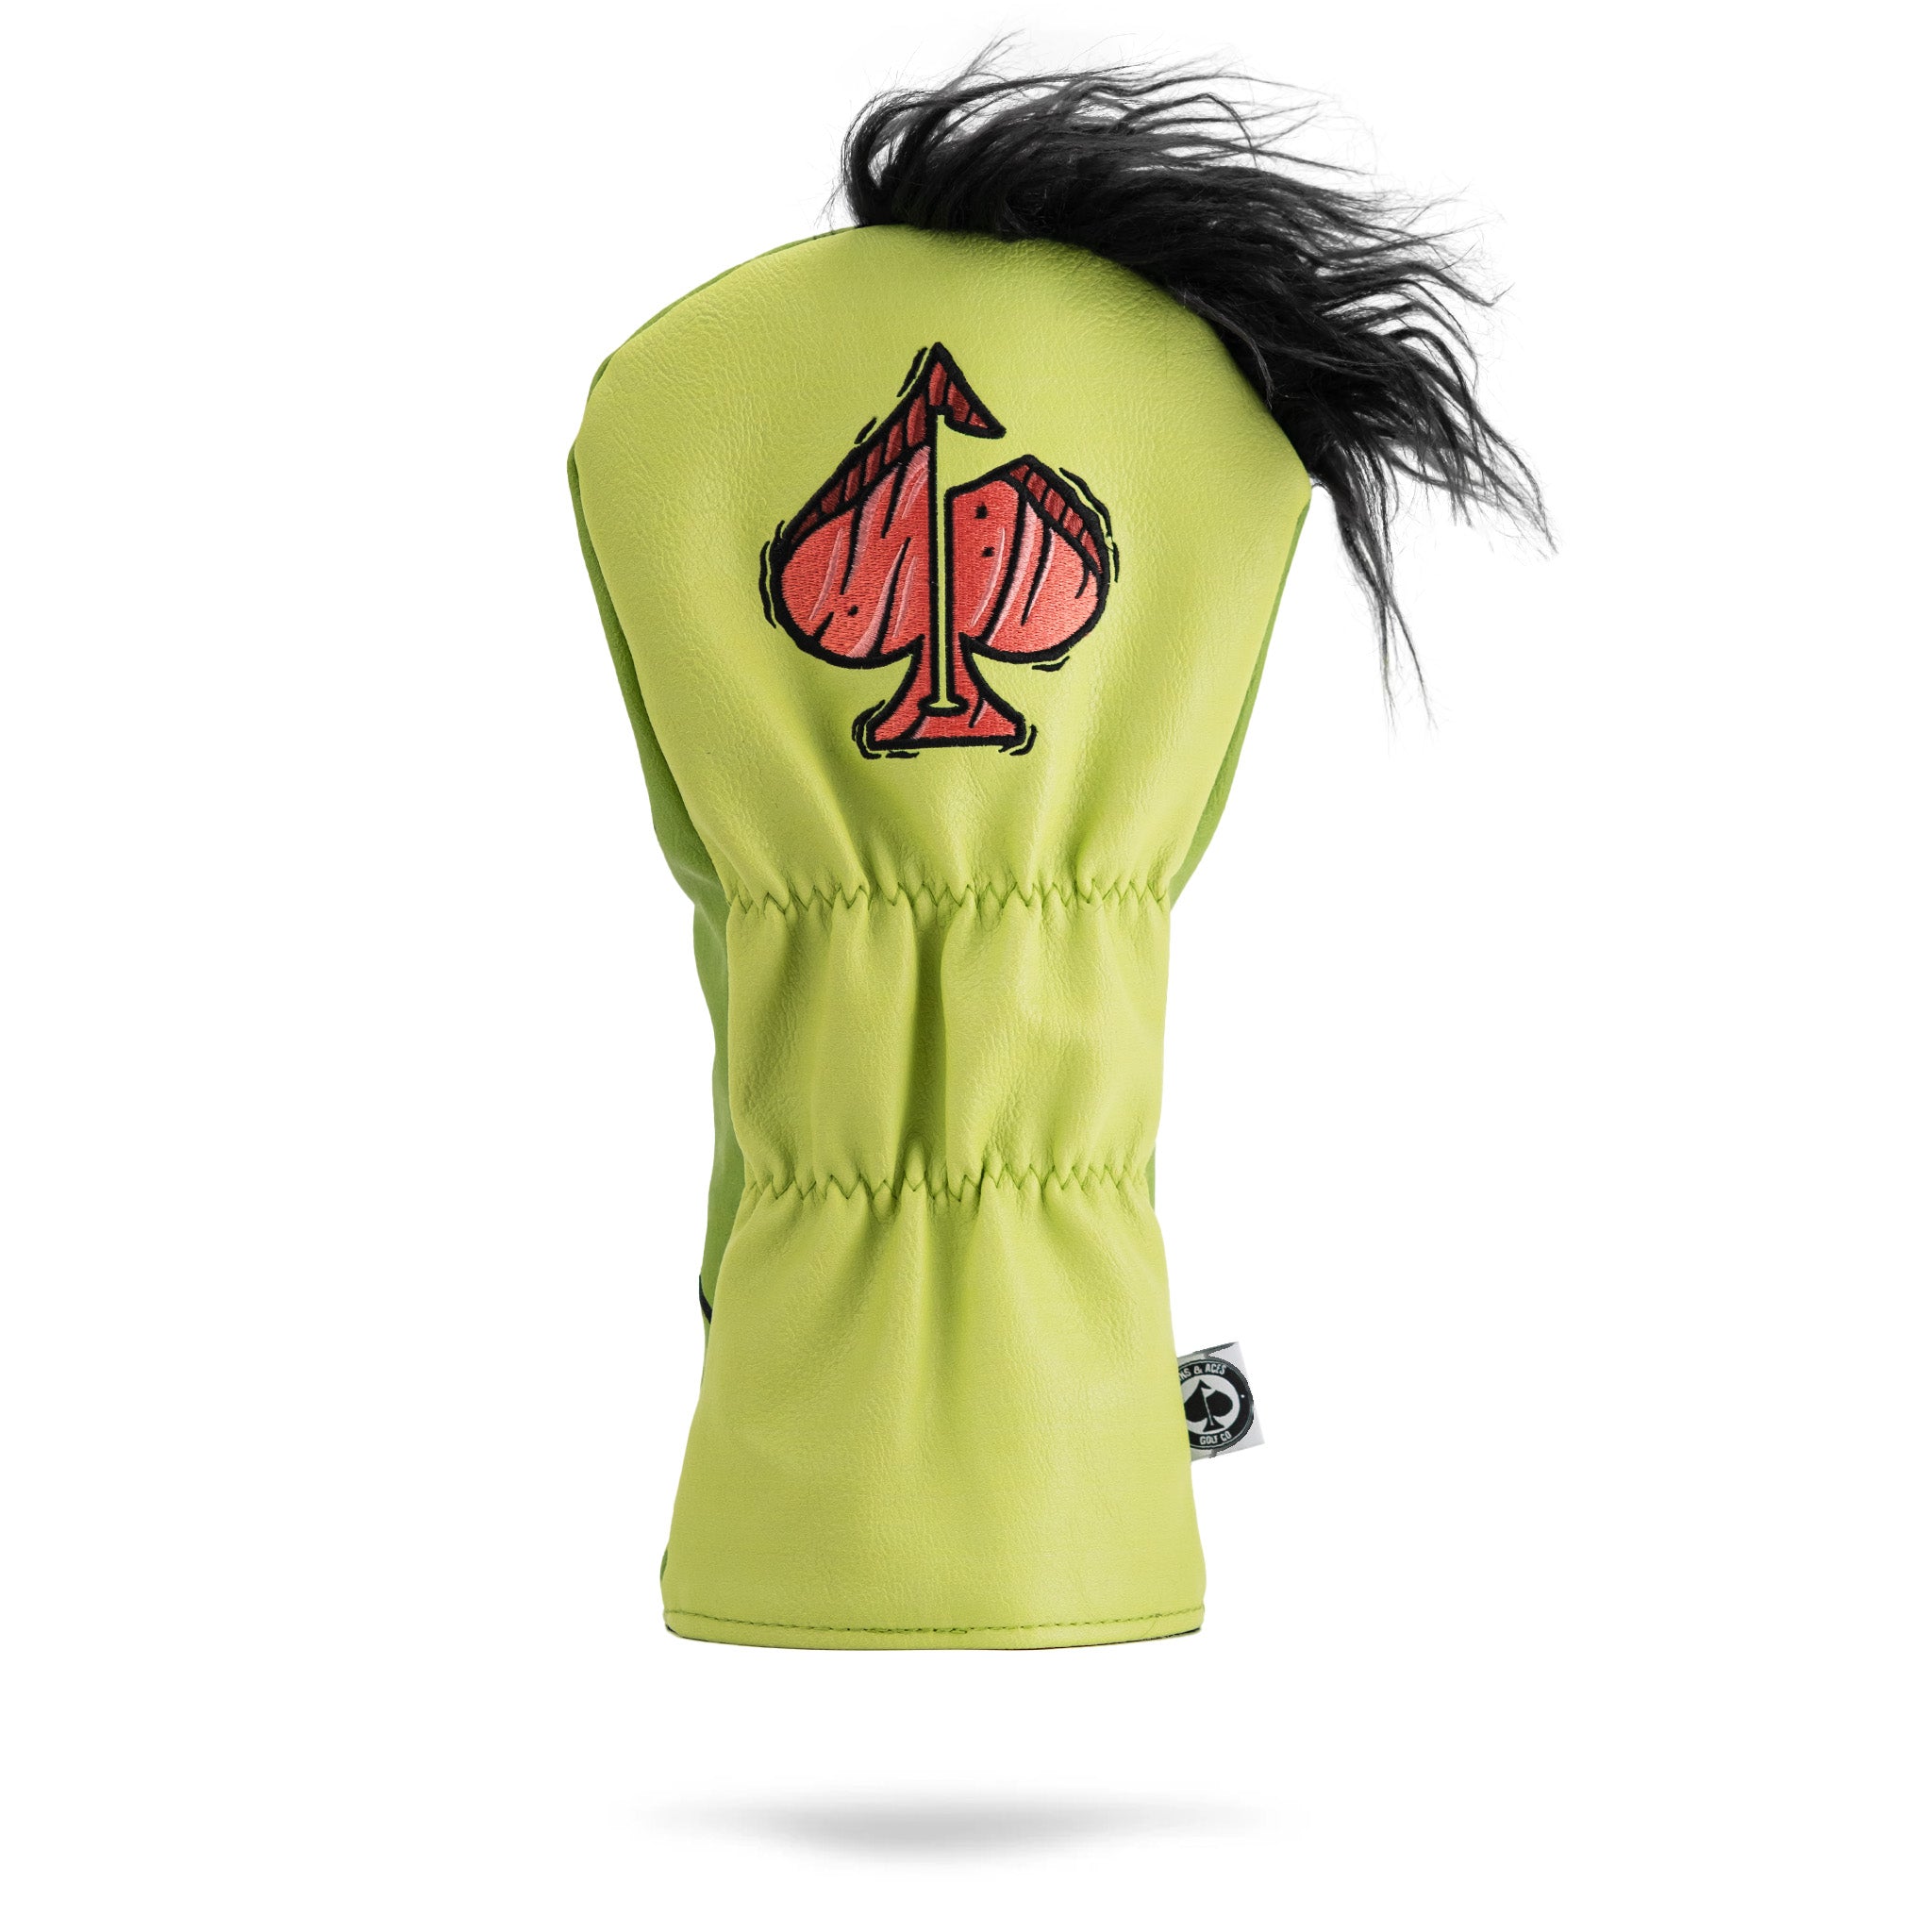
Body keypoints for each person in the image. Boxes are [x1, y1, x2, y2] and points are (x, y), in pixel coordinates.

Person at [569, 56, 1546, 1648]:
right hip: (1093, 1511)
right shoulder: (1200, 402)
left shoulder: (676, 382)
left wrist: (746, 1277)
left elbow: (764, 956)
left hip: (789, 1504)